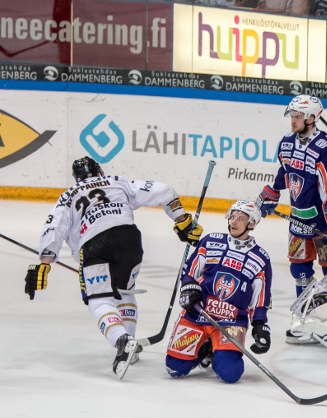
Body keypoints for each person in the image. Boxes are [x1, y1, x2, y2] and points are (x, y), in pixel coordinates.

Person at [26, 157, 203, 379]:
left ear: (77, 178)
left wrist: (45, 262)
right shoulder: (117, 181)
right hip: (129, 240)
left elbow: (54, 228)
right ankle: (130, 345)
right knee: (125, 291)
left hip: (96, 245)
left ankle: (122, 341)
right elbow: (165, 190)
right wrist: (182, 220)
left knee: (99, 299)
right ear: (99, 172)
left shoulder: (69, 195)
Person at [254, 95, 327, 341]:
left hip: (323, 225)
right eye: (292, 116)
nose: (292, 121)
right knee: (300, 270)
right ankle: (305, 317)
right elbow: (284, 173)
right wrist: (271, 194)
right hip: (297, 221)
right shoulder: (285, 142)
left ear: (312, 118)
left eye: (297, 117)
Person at [166, 201, 272, 384]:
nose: (234, 222)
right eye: (232, 216)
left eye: (241, 218)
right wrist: (189, 288)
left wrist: (260, 325)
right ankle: (205, 347)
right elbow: (189, 272)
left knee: (229, 374)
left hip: (231, 321)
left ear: (252, 223)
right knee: (174, 368)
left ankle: (217, 351)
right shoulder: (211, 241)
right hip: (199, 314)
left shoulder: (260, 257)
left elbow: (260, 297)